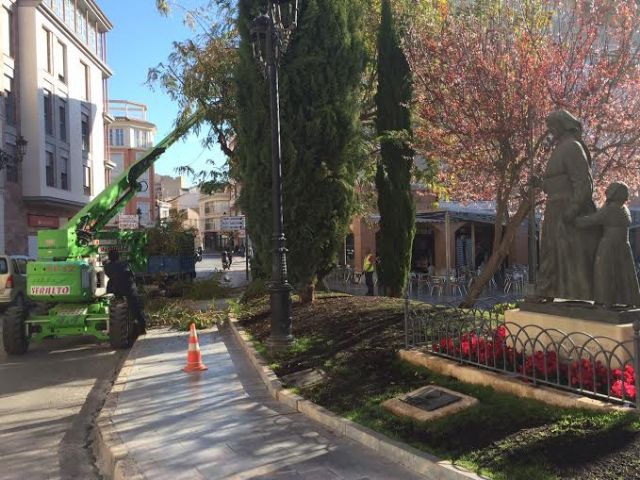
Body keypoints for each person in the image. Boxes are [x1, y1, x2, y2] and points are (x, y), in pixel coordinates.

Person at [535, 110, 600, 302]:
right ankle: (548, 291)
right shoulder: (561, 148)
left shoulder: (572, 147)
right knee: (551, 251)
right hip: (555, 207)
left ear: (562, 126)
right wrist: (540, 184)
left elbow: (584, 184)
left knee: (569, 255)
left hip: (567, 209)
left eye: (552, 126)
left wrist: (572, 211)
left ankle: (575, 296)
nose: (550, 131)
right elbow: (555, 184)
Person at [576, 181, 640, 307]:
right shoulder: (624, 209)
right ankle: (630, 300)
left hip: (609, 245)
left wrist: (575, 221)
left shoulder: (610, 209)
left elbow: (592, 220)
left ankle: (605, 300)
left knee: (603, 271)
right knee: (624, 274)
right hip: (623, 246)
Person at [104, 250, 147, 335]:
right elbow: (132, 275)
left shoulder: (107, 267)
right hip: (130, 289)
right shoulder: (125, 264)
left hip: (117, 290)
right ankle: (142, 329)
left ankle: (114, 328)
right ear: (118, 257)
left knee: (113, 306)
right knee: (137, 309)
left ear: (109, 257)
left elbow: (109, 275)